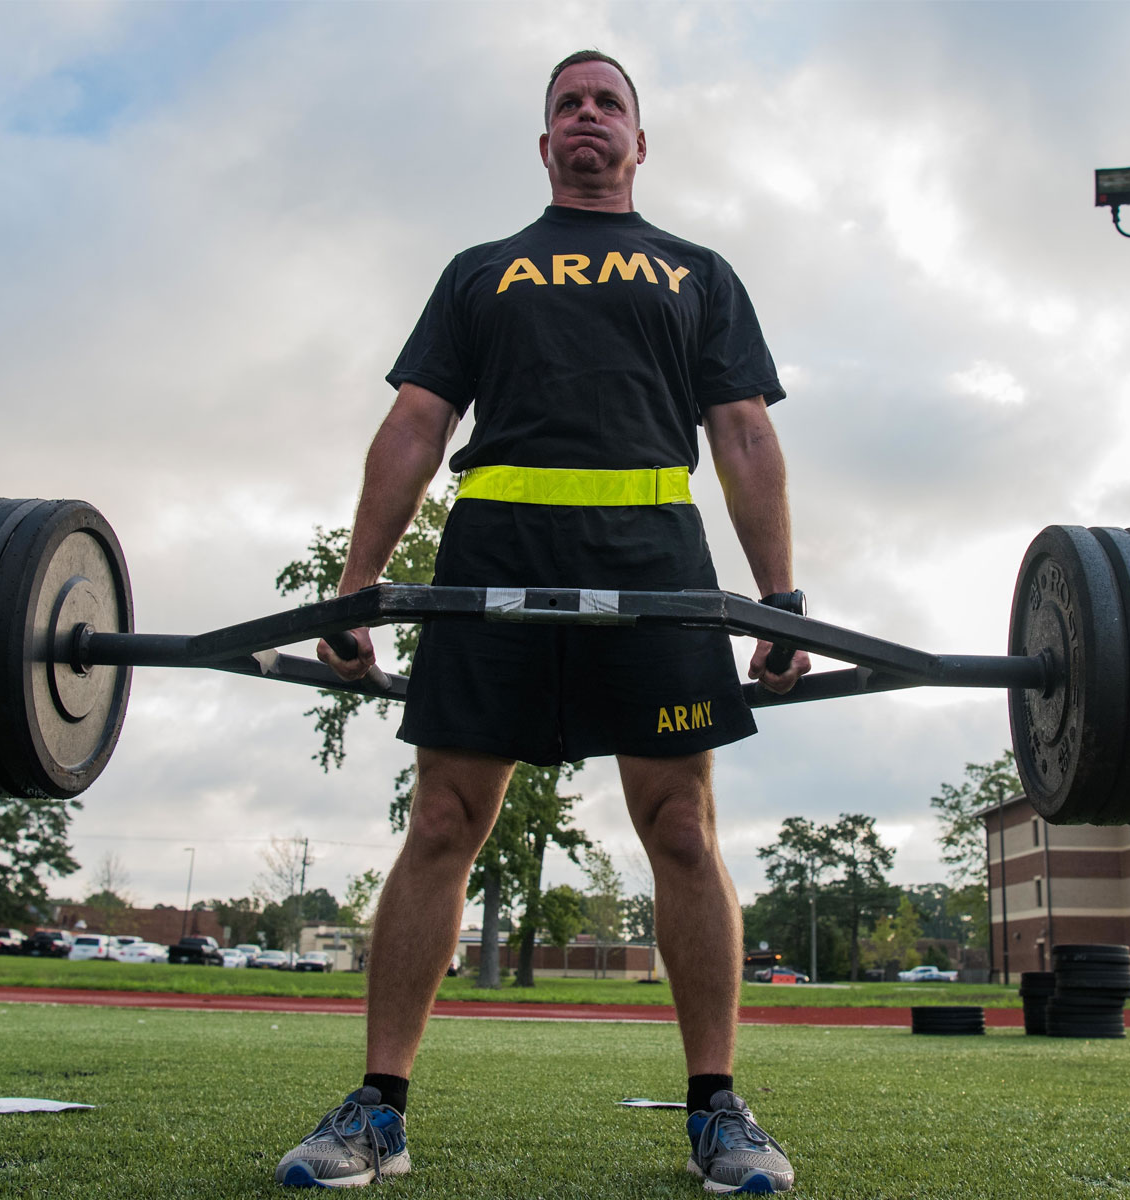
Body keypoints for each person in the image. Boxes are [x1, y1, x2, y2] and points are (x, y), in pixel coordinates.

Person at [277, 53, 808, 1193]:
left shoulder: (697, 272)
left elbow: (745, 435)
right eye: (568, 104)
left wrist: (779, 596)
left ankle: (717, 1110)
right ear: (544, 140)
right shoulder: (483, 272)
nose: (587, 117)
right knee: (443, 822)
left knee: (679, 827)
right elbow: (417, 425)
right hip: (495, 562)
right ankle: (380, 1110)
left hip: (656, 566)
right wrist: (358, 582)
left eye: (607, 103)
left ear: (639, 140)